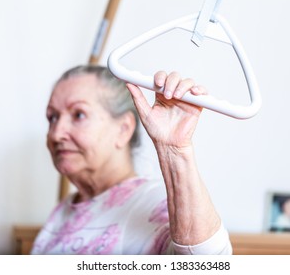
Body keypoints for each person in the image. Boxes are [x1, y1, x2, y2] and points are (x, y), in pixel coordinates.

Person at [31, 65, 232, 254]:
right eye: (53, 117)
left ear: (123, 129)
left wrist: (174, 151)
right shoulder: (63, 210)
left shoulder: (153, 201)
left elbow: (206, 262)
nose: (57, 134)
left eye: (79, 115)